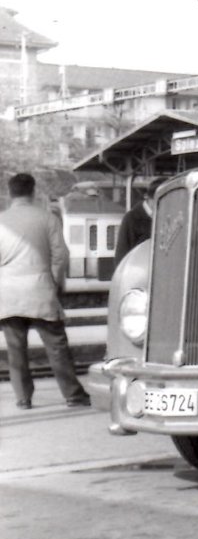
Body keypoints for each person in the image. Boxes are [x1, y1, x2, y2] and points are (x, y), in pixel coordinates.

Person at [0, 173, 91, 409]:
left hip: (9, 293)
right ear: (33, 191)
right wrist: (55, 282)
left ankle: (22, 398)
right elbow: (60, 255)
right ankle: (73, 395)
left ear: (10, 193)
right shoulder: (47, 218)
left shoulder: (1, 220)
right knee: (57, 345)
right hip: (40, 288)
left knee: (15, 348)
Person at [114, 177, 164, 266]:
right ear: (150, 198)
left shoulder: (165, 216)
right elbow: (122, 254)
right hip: (138, 272)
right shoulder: (131, 218)